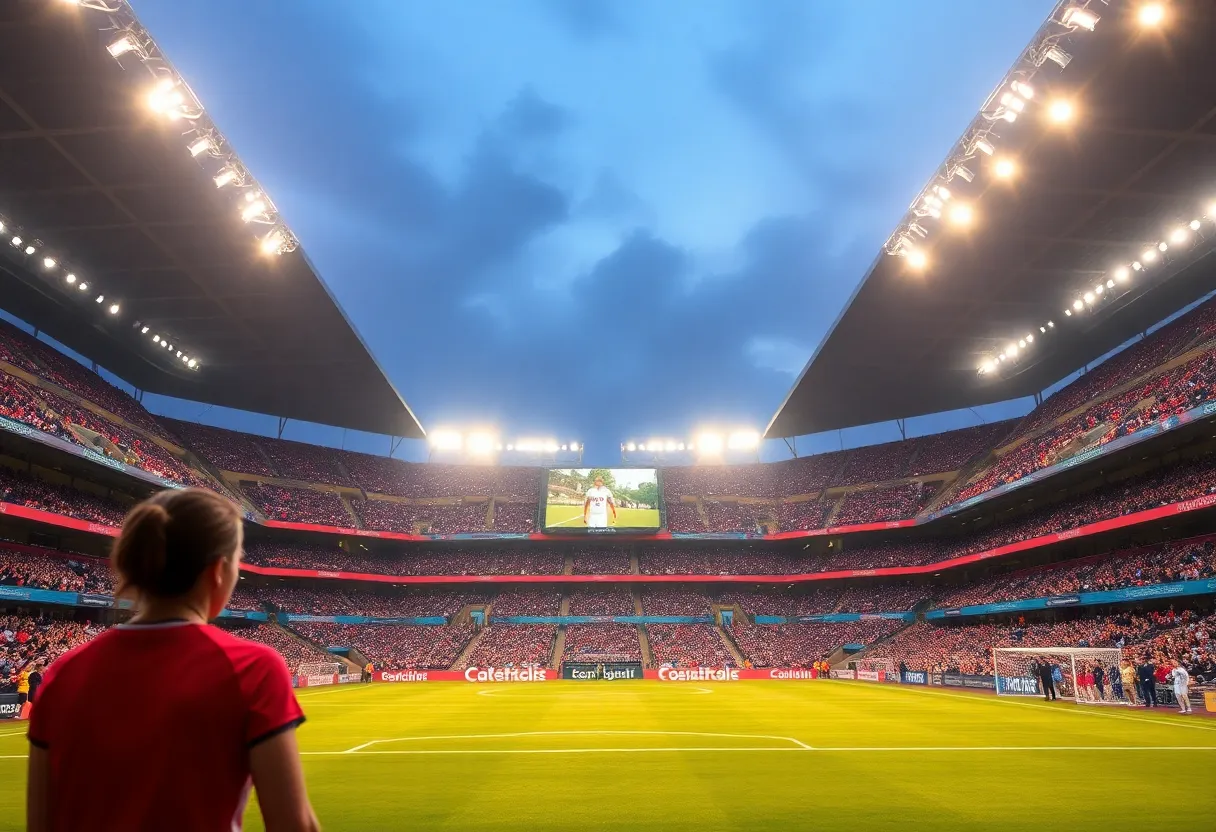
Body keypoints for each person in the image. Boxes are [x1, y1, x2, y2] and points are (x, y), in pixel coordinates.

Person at [26, 488, 319, 832]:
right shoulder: (252, 667)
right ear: (218, 571)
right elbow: (293, 824)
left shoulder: (63, 673)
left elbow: (40, 823)